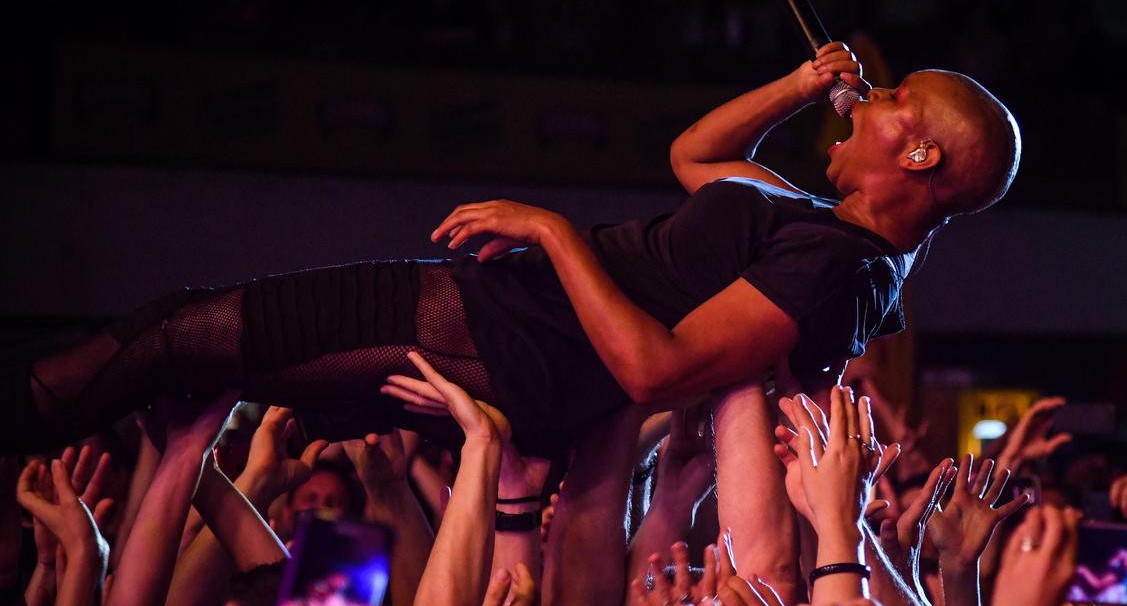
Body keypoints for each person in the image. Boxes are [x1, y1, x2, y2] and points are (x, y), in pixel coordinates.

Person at [4, 42, 1020, 457]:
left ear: (920, 150)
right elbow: (695, 154)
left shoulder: (838, 271)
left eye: (888, 101)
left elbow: (650, 367)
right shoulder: (807, 217)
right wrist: (802, 86)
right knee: (181, 346)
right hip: (499, 311)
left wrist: (551, 230)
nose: (864, 100)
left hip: (520, 339)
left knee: (184, 336)